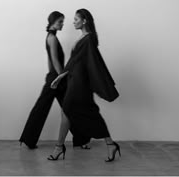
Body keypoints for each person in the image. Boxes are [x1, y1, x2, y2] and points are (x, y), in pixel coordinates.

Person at [47, 9, 120, 162]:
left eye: (75, 19)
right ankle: (109, 143)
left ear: (84, 20)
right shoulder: (83, 38)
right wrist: (61, 76)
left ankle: (59, 147)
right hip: (75, 81)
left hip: (80, 84)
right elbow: (75, 62)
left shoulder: (89, 39)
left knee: (74, 111)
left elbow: (92, 63)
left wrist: (98, 83)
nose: (73, 22)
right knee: (75, 112)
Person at [19, 11, 91, 149]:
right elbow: (55, 61)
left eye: (62, 21)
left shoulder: (51, 37)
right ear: (52, 22)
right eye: (60, 22)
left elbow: (50, 62)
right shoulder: (51, 38)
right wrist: (61, 77)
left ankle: (81, 140)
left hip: (54, 78)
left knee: (68, 109)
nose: (62, 24)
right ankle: (28, 139)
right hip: (56, 79)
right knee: (43, 109)